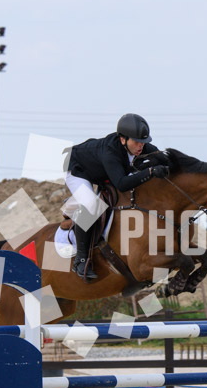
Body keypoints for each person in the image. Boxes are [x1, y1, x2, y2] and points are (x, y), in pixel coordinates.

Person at [64, 113, 170, 281]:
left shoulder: (141, 146)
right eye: (136, 142)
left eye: (143, 142)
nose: (141, 146)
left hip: (101, 171)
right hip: (77, 170)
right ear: (122, 139)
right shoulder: (110, 152)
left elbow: (166, 159)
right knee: (92, 204)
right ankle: (81, 260)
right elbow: (121, 183)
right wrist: (149, 171)